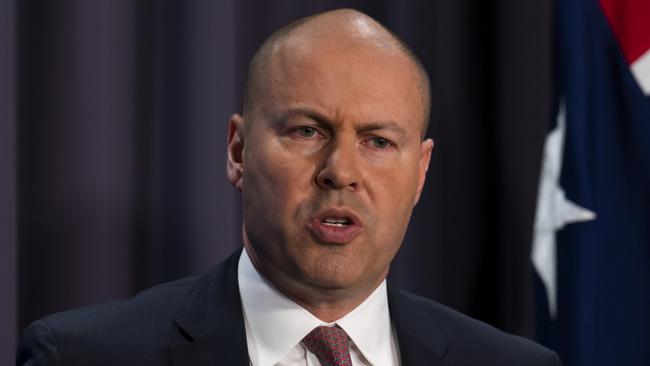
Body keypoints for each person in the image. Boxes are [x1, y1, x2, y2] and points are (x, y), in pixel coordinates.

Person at [17, 8, 561, 366]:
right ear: (238, 151)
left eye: (377, 141)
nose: (340, 170)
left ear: (420, 174)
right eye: (307, 131)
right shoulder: (84, 356)